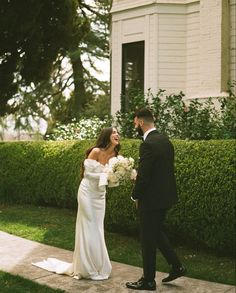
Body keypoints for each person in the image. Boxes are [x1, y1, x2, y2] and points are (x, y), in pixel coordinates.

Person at [32, 127, 120, 281]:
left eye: (118, 132)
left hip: (100, 196)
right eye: (113, 132)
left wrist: (114, 178)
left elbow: (112, 180)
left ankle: (99, 265)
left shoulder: (115, 156)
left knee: (98, 229)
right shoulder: (96, 151)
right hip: (87, 193)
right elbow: (87, 174)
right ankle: (86, 268)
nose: (117, 134)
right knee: (88, 226)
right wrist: (105, 174)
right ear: (107, 136)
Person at [126, 108, 186, 291]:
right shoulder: (165, 140)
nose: (135, 126)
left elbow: (144, 177)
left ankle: (148, 280)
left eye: (135, 122)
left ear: (141, 122)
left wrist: (135, 195)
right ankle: (177, 266)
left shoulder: (148, 144)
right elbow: (161, 172)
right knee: (156, 233)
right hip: (165, 198)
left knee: (147, 240)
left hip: (151, 201)